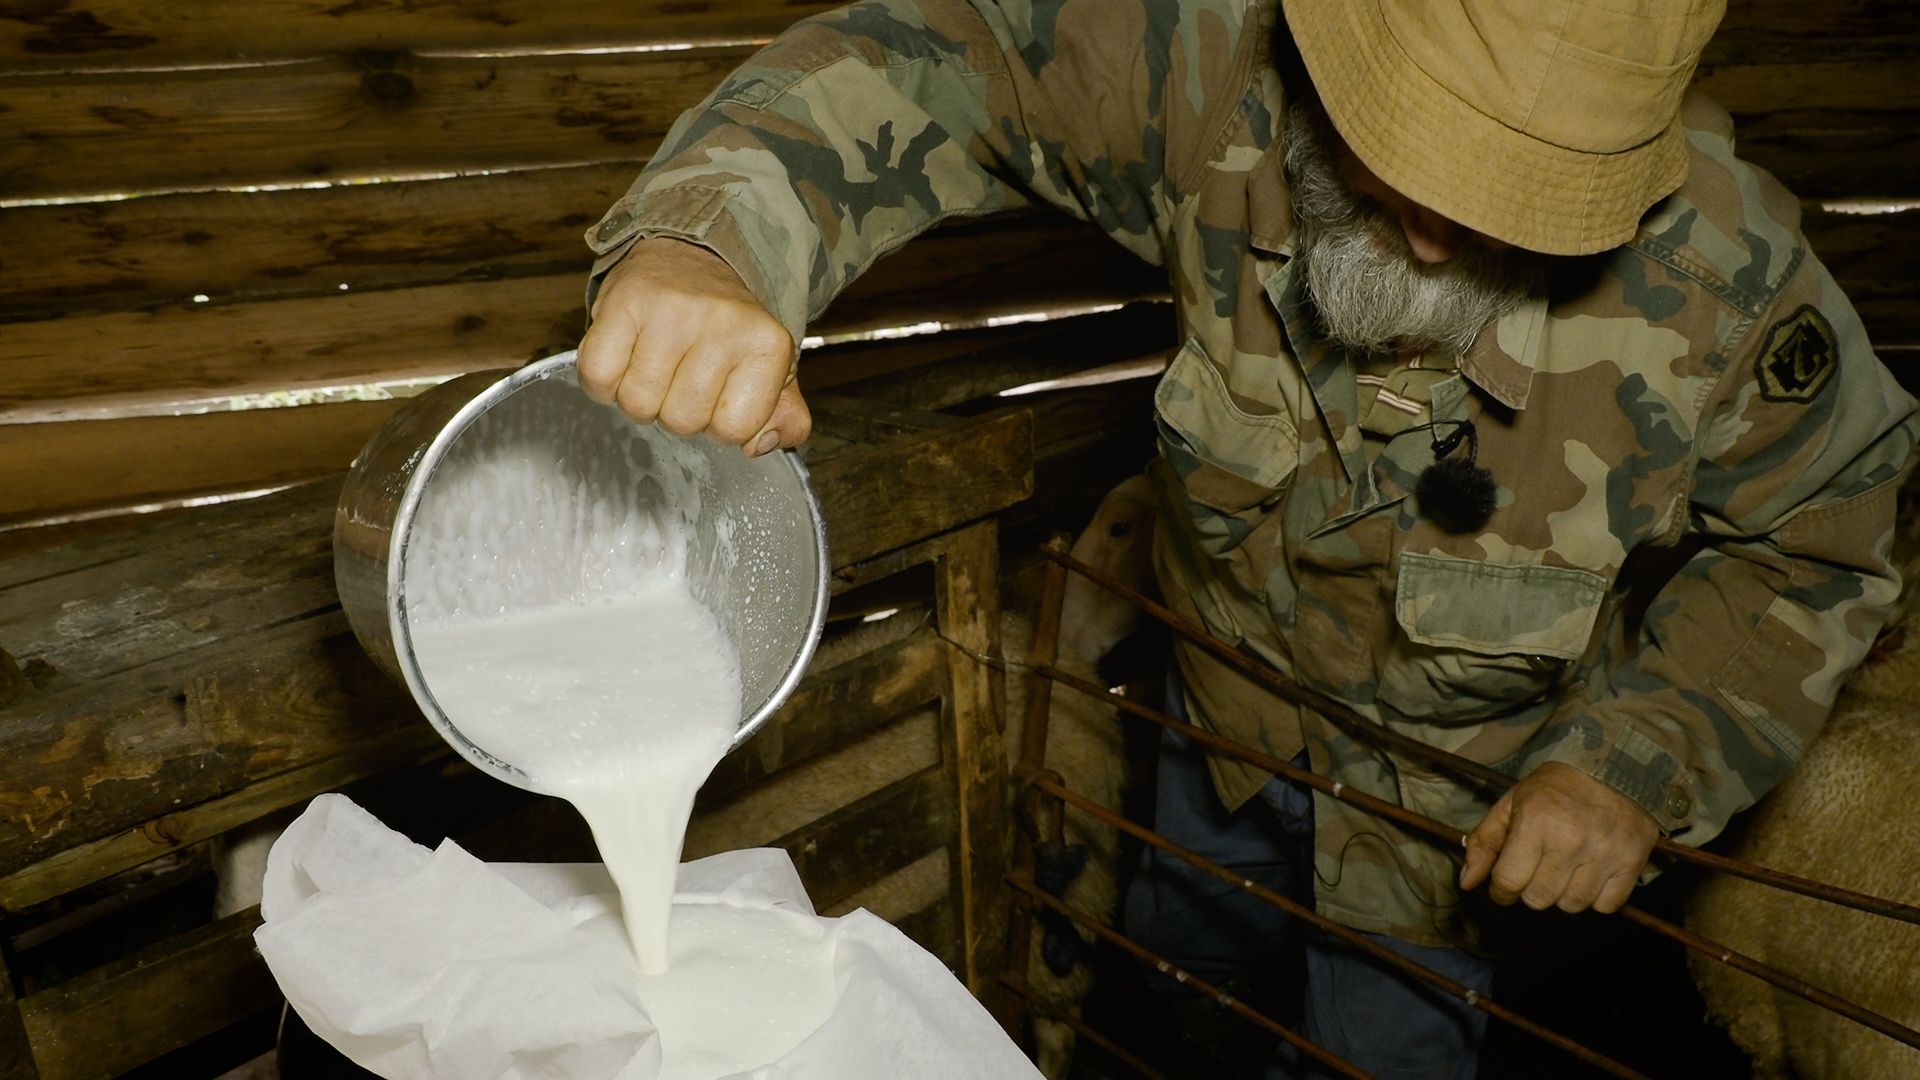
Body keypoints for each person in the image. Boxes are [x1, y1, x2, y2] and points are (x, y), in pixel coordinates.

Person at [573, 1, 1919, 1075]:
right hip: (1212, 739)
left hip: (1444, 826)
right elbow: (950, 54)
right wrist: (717, 239)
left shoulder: (1726, 288)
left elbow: (1820, 541)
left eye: (1521, 199)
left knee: (1380, 1052)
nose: (1438, 243)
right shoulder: (1213, 76)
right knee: (1176, 998)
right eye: (1406, 150)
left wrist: (1630, 768)